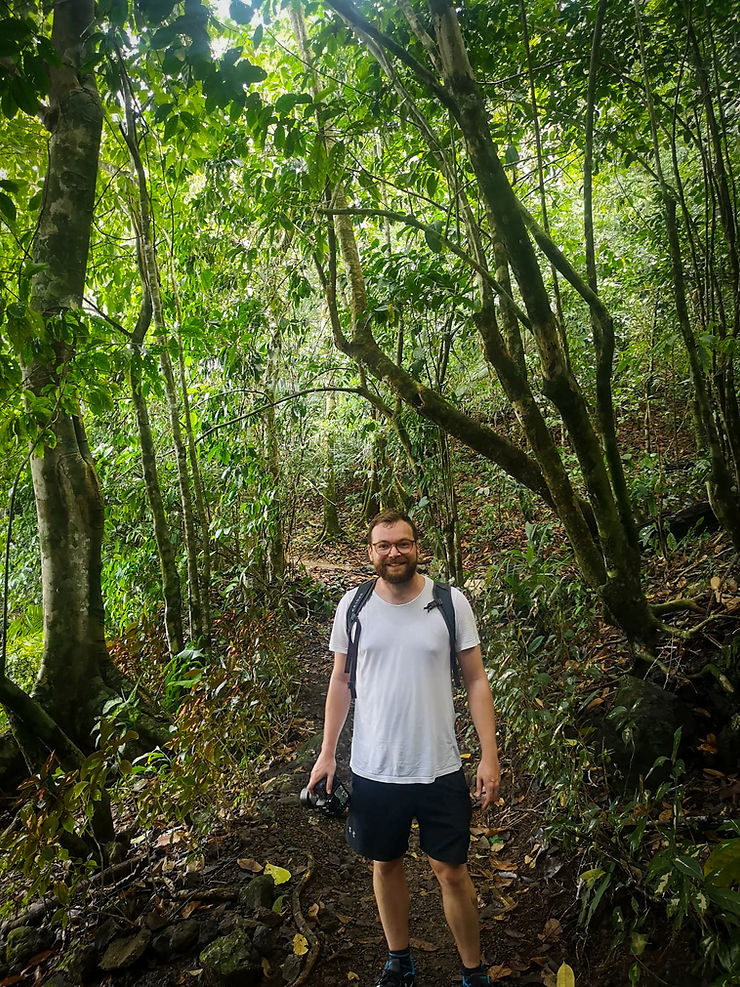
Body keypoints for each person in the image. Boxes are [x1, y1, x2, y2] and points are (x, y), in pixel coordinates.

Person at [308, 509, 501, 987]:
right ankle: (399, 960)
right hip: (375, 767)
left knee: (451, 871)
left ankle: (473, 971)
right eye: (383, 545)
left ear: (417, 547)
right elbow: (341, 680)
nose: (394, 552)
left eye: (402, 543)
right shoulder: (353, 608)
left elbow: (476, 680)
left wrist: (489, 754)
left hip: (439, 764)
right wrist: (327, 750)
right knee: (385, 862)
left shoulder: (449, 603)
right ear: (370, 552)